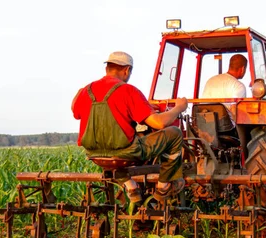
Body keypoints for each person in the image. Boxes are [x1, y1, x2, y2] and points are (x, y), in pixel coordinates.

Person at [72, 51, 188, 201]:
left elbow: (75, 109)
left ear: (107, 68)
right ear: (126, 70)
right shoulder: (128, 91)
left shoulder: (86, 91)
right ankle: (163, 186)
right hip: (126, 153)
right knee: (174, 134)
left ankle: (131, 187)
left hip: (94, 155)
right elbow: (159, 123)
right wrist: (179, 107)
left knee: (115, 150)